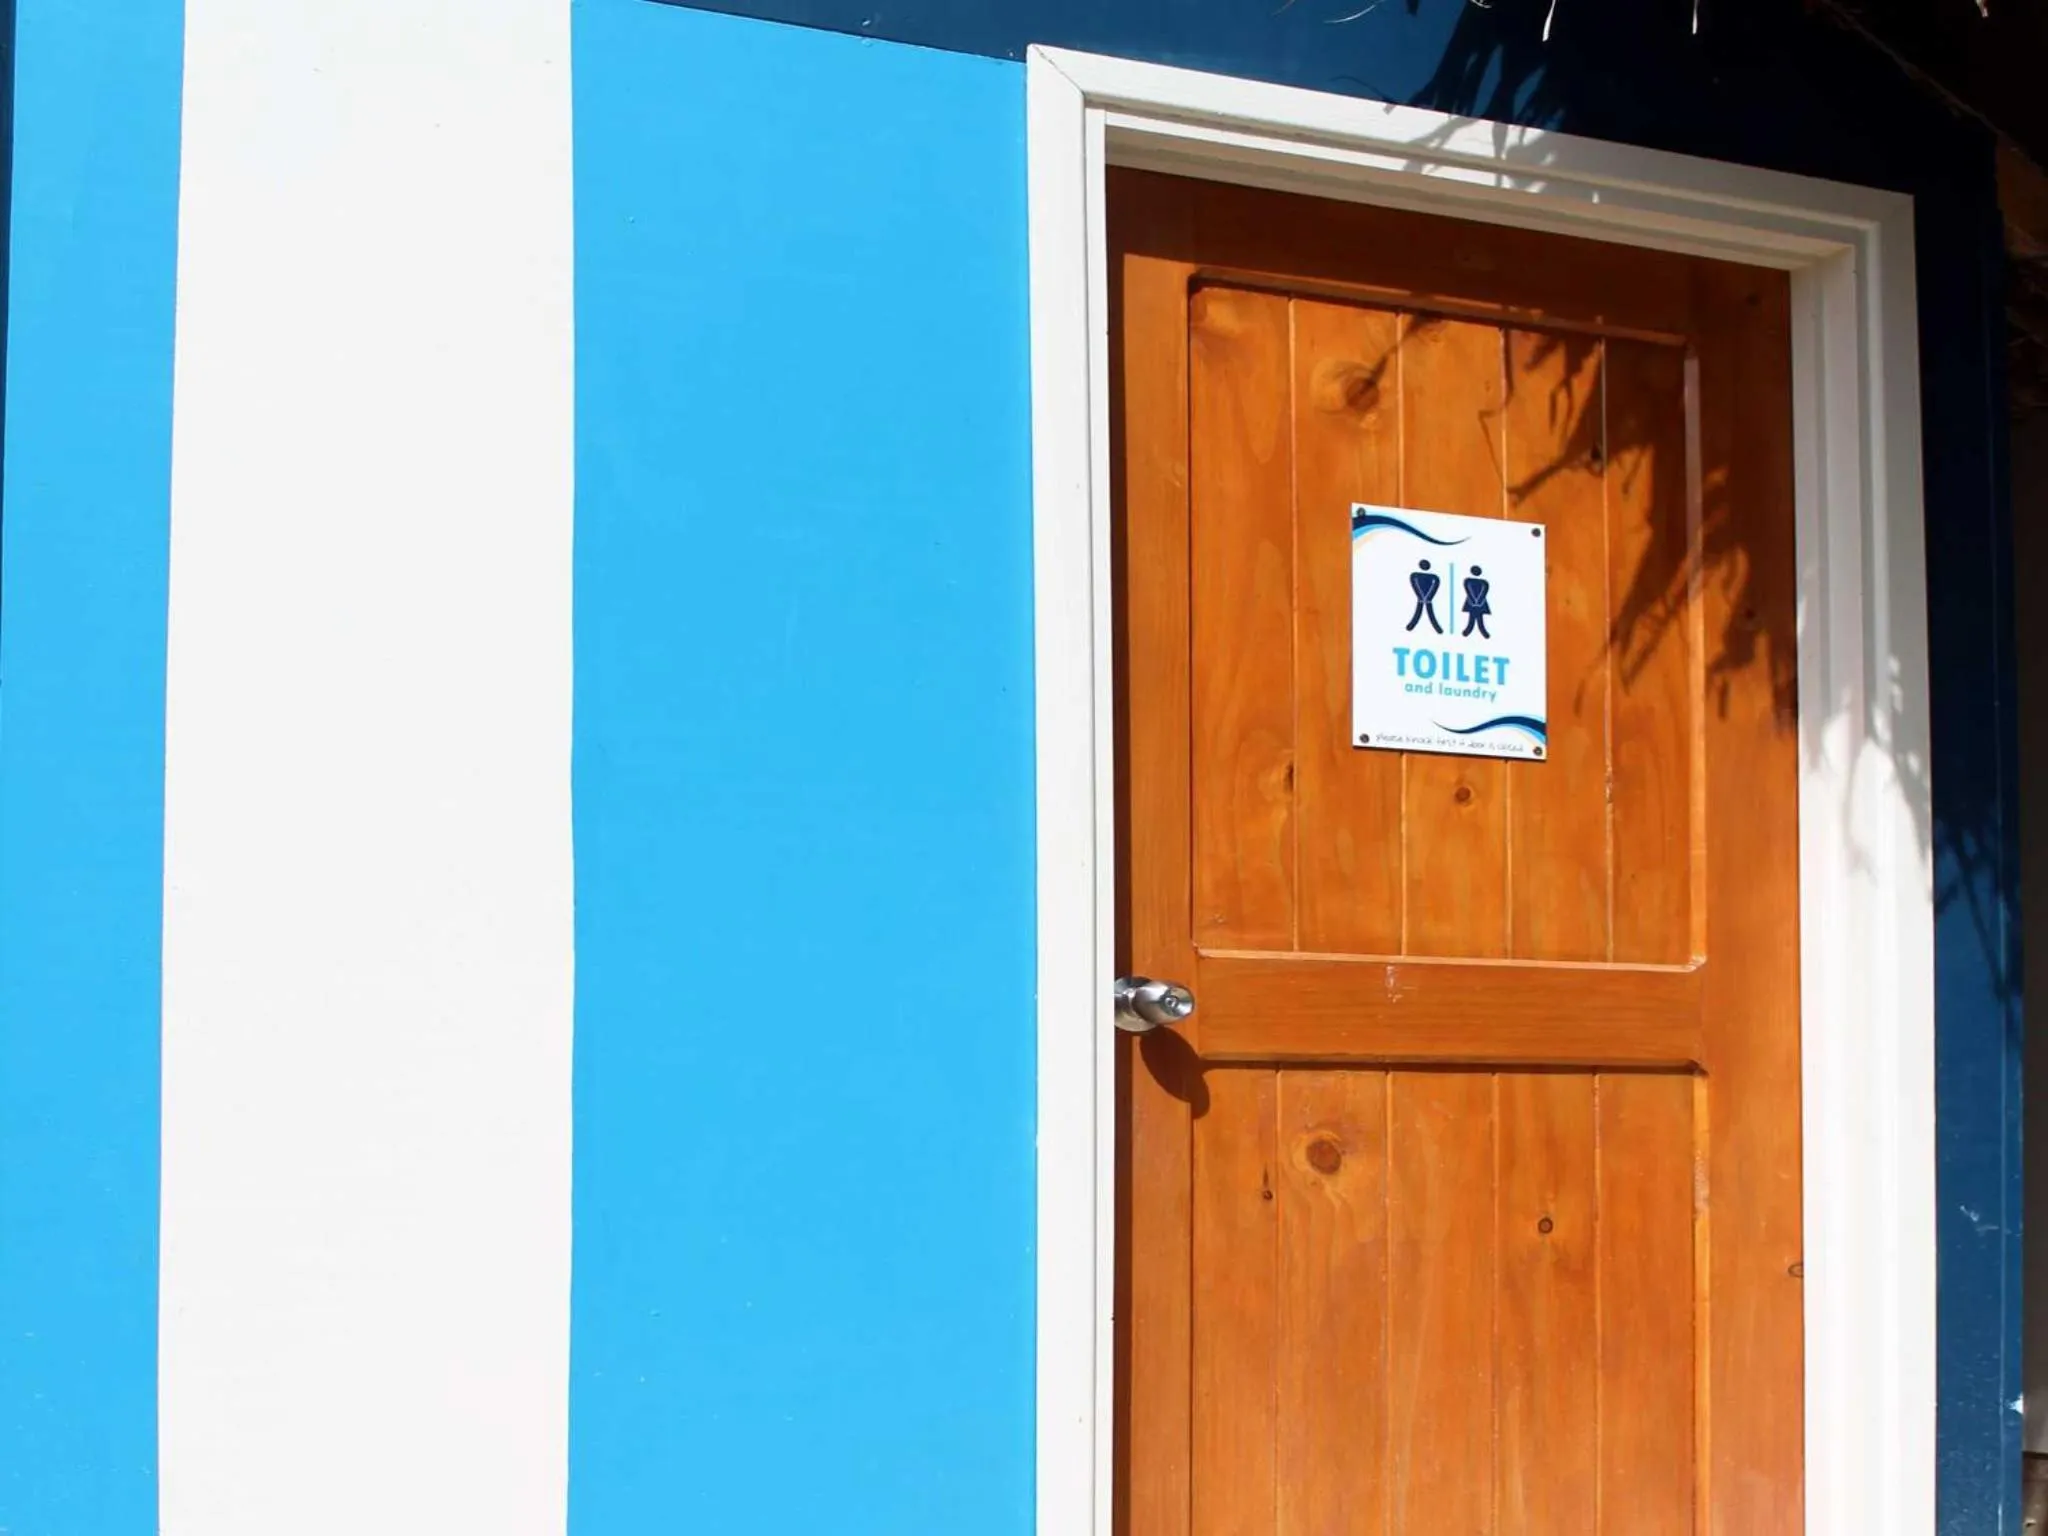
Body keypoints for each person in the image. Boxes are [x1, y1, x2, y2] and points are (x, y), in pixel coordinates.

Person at [1406, 559, 1443, 633]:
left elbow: (1434, 585)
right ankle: (1410, 627)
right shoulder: (1415, 575)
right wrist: (1424, 597)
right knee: (1421, 614)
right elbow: (1416, 585)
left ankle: (1438, 630)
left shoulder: (1433, 577)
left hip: (1426, 598)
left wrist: (1426, 597)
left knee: (1428, 614)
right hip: (1424, 598)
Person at [1461, 566, 1492, 639]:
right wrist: (1477, 602)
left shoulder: (1469, 581)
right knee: (1475, 619)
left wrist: (1475, 602)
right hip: (1478, 603)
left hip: (1476, 603)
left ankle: (1469, 632)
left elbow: (1483, 592)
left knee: (1477, 619)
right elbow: (1469, 591)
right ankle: (1468, 632)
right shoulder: (1469, 581)